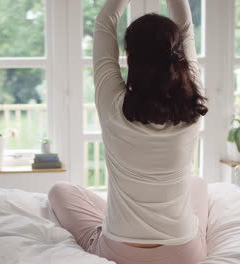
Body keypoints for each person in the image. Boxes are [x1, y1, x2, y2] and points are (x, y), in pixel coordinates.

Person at [49, 0, 208, 263]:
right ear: (178, 56)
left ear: (129, 57)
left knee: (59, 190)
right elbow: (186, 27)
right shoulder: (193, 106)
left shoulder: (112, 103)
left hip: (119, 250)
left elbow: (104, 22)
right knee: (198, 184)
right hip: (184, 253)